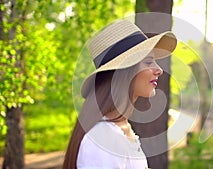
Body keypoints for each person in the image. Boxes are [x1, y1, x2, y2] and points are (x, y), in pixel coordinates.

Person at [63, 20, 177, 168]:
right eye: (148, 62)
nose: (159, 70)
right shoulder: (103, 139)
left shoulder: (121, 129)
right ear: (125, 71)